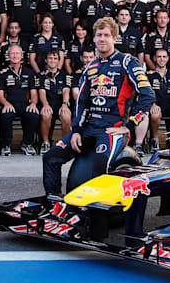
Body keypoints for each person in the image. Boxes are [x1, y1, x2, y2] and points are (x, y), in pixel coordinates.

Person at [43, 18, 154, 195]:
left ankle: (98, 217)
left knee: (99, 165)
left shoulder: (128, 62)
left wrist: (129, 126)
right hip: (88, 129)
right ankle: (54, 203)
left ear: (115, 38)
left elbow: (148, 95)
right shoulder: (90, 67)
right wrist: (77, 130)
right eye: (99, 35)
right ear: (94, 39)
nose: (102, 39)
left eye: (107, 35)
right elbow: (82, 103)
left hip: (113, 130)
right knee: (50, 157)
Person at [0, 43, 41, 156]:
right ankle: (6, 144)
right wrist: (6, 104)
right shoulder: (3, 73)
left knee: (34, 115)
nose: (15, 55)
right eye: (12, 53)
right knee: (7, 115)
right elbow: (0, 95)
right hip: (9, 104)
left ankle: (27, 143)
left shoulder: (29, 72)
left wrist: (33, 104)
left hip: (24, 105)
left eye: (17, 53)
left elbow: (34, 93)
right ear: (8, 55)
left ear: (22, 56)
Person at [37, 50, 73, 153]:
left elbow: (66, 90)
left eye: (55, 58)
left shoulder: (65, 75)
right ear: (46, 60)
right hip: (47, 103)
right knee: (46, 114)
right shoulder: (41, 75)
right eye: (50, 58)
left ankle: (65, 144)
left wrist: (65, 104)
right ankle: (46, 143)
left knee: (66, 116)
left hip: (61, 104)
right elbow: (41, 92)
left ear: (59, 61)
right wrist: (45, 104)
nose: (53, 60)